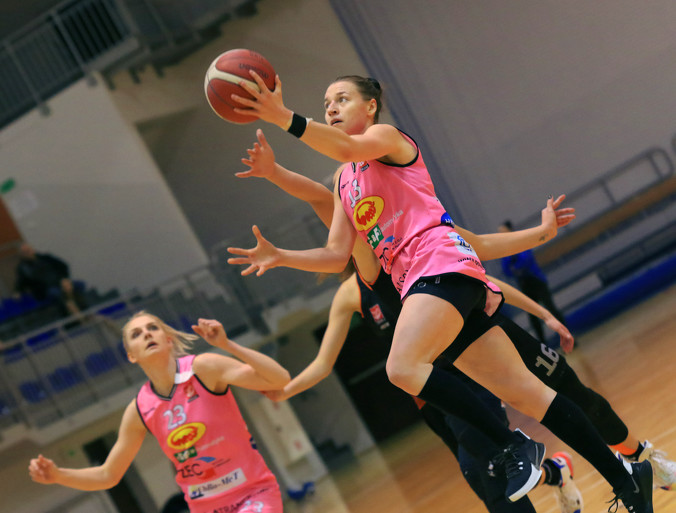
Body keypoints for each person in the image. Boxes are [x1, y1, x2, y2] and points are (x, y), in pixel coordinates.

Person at [226, 72, 654, 511]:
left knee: (401, 367)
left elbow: (348, 148)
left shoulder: (387, 138)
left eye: (341, 99)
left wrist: (283, 117)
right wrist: (281, 255)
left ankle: (514, 446)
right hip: (420, 282)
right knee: (529, 394)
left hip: (440, 263)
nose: (331, 107)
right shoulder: (343, 181)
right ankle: (627, 480)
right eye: (326, 102)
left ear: (370, 106)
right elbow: (338, 255)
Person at [28, 312, 290, 513]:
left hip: (252, 494)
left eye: (152, 328)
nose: (146, 334)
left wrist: (228, 345)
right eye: (137, 334)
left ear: (168, 339)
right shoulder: (140, 409)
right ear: (131, 356)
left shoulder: (204, 368)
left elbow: (280, 379)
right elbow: (108, 475)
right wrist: (58, 475)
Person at [498, 220, 568, 345]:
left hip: (536, 280)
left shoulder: (521, 240)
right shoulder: (504, 249)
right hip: (524, 285)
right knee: (532, 315)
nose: (501, 234)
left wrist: (516, 268)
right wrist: (515, 268)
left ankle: (566, 336)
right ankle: (542, 344)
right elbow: (506, 270)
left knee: (551, 309)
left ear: (510, 230)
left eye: (503, 231)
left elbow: (526, 260)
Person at [14, 243, 87, 317]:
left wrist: (65, 279)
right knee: (57, 293)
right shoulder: (23, 268)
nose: (28, 253)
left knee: (75, 286)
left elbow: (63, 266)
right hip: (45, 289)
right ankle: (75, 315)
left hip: (60, 282)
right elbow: (21, 282)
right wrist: (18, 291)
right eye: (25, 252)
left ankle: (83, 311)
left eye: (29, 250)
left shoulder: (46, 258)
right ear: (22, 254)